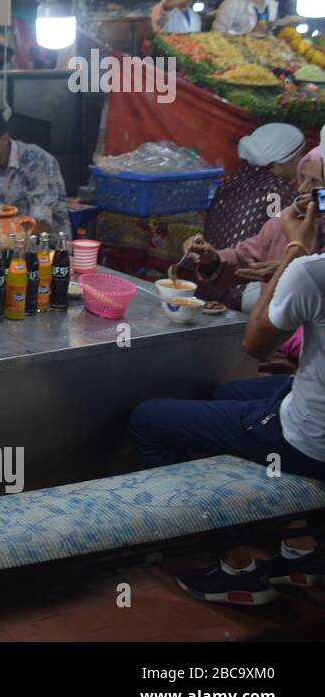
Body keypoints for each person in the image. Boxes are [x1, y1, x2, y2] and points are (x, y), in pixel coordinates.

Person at [130, 198, 325, 605]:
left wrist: (294, 252)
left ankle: (235, 565)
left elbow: (255, 345)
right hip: (303, 400)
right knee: (229, 393)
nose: (309, 197)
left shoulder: (312, 269)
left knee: (148, 419)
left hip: (309, 443)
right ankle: (300, 552)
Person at [186, 146, 321, 314]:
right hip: (272, 322)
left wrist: (290, 271)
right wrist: (212, 258)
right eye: (302, 177)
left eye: (314, 181)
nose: (302, 189)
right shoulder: (287, 218)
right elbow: (246, 256)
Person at [0, 104, 71, 239]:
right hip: (1, 239)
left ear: (3, 140)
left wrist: (5, 239)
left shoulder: (37, 162)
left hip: (47, 246)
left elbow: (41, 225)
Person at [201, 122, 304, 253]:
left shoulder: (233, 180)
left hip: (213, 267)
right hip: (248, 270)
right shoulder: (279, 192)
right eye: (300, 155)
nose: (303, 160)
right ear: (284, 160)